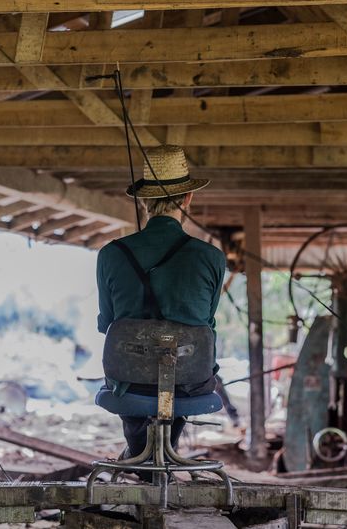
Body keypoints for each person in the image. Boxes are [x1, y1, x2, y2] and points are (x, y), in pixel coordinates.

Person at [96, 144, 226, 460]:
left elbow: (107, 324)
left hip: (129, 384)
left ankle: (138, 454)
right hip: (188, 382)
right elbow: (205, 325)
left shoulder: (112, 254)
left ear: (143, 201)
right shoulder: (211, 257)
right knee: (188, 363)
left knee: (131, 380)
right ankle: (165, 454)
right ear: (187, 199)